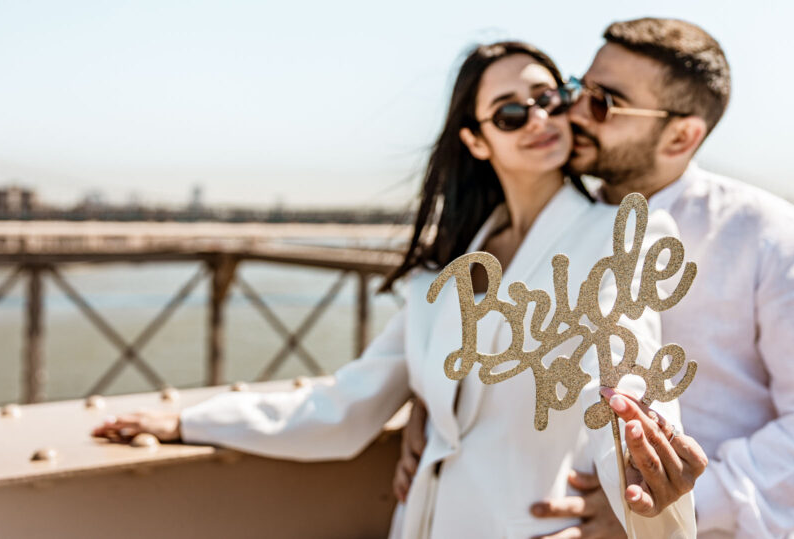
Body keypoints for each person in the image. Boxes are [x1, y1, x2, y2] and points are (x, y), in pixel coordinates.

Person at [92, 40, 697, 538]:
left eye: (547, 98)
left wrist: (644, 503)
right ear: (477, 141)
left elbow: (629, 387)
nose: (537, 118)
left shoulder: (619, 237)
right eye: (510, 112)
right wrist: (193, 421)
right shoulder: (443, 271)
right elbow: (347, 405)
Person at [394, 18, 794, 538]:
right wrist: (432, 392)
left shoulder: (763, 231)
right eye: (578, 90)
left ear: (681, 135)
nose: (574, 113)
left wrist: (669, 505)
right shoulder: (560, 231)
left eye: (604, 102)